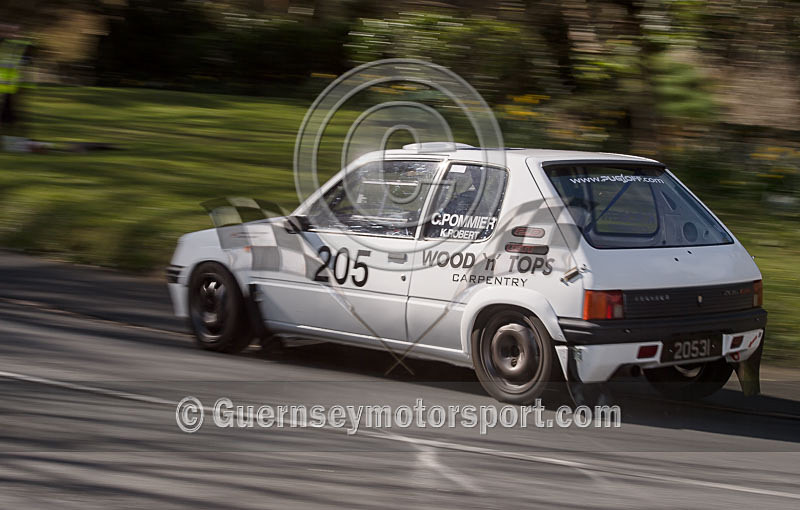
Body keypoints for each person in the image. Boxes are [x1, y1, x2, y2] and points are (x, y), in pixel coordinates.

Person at [0, 24, 33, 150]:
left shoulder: (19, 46)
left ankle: (13, 142)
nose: (13, 34)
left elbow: (26, 62)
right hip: (7, 87)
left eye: (15, 32)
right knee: (8, 115)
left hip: (11, 88)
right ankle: (12, 141)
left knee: (10, 115)